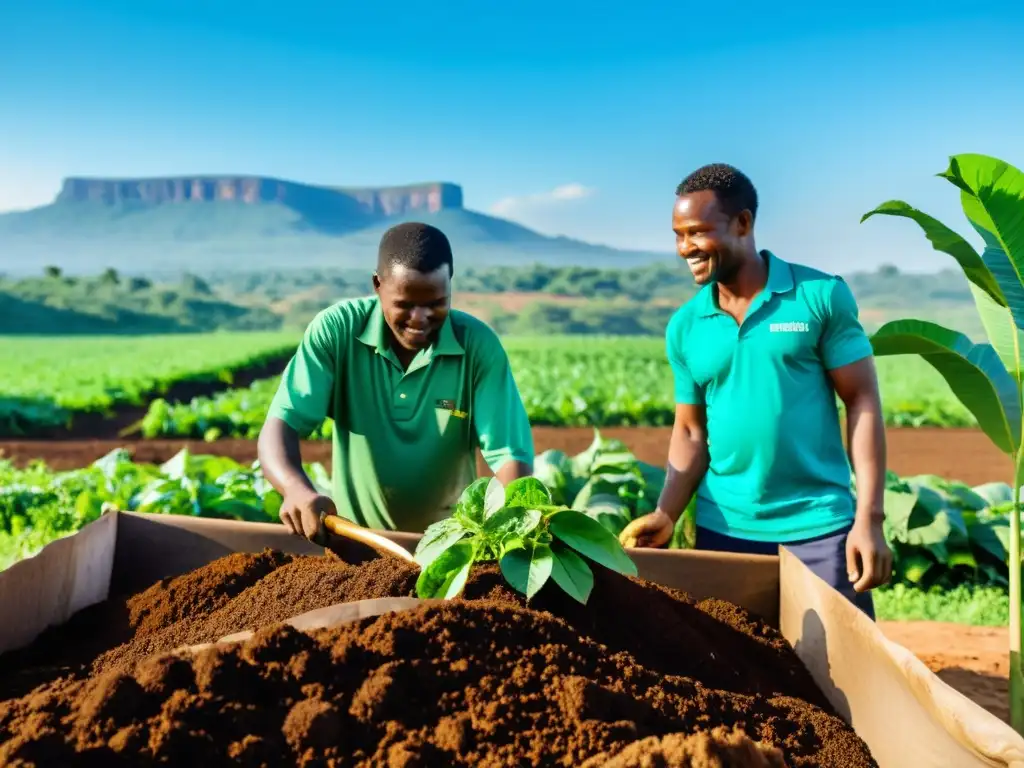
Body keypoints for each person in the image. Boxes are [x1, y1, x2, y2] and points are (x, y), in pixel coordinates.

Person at [618, 163, 892, 619]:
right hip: (723, 529)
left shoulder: (819, 296)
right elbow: (689, 433)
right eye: (678, 234)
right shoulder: (686, 325)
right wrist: (667, 513)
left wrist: (870, 519)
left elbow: (862, 401)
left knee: (839, 680)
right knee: (734, 677)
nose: (686, 247)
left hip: (820, 528)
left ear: (743, 223)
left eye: (698, 232)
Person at [258, 221, 535, 541]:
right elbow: (284, 422)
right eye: (404, 304)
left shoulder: (477, 346)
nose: (420, 319)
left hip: (451, 549)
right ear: (378, 284)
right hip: (357, 544)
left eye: (436, 303)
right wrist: (296, 490)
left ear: (449, 286)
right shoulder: (338, 331)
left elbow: (510, 454)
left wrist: (505, 527)